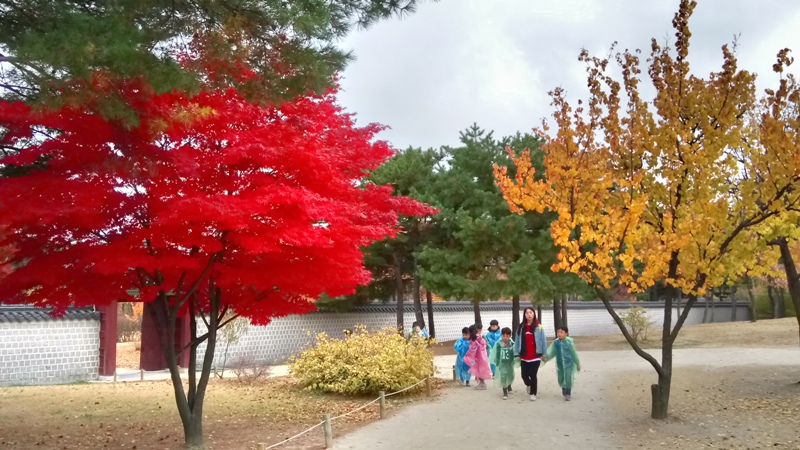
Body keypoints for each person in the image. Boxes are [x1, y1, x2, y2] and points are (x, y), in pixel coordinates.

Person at [514, 307, 547, 401]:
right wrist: (516, 353)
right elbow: (517, 341)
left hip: (535, 356)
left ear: (534, 314)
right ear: (524, 315)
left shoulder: (539, 326)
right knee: (524, 375)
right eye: (527, 313)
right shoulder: (521, 327)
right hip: (524, 356)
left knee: (533, 374)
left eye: (531, 312)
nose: (529, 314)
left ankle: (533, 393)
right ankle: (529, 384)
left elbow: (543, 340)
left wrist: (545, 354)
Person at [546, 326, 581, 401]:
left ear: (566, 334)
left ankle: (568, 392)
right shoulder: (556, 342)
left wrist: (578, 364)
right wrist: (547, 358)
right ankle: (563, 386)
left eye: (561, 332)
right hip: (560, 364)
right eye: (558, 332)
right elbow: (552, 352)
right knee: (560, 377)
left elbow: (574, 354)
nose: (559, 334)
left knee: (568, 377)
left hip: (569, 363)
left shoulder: (569, 343)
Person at [463, 324, 492, 390]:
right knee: (481, 370)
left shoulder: (473, 340)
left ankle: (482, 384)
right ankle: (481, 383)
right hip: (483, 357)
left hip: (477, 358)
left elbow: (472, 350)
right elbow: (484, 345)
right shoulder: (480, 337)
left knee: (478, 370)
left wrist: (467, 356)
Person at [491, 327, 516, 399]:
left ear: (510, 336)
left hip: (509, 363)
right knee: (503, 376)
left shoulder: (512, 343)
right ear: (501, 335)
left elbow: (514, 353)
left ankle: (509, 385)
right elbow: (497, 353)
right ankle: (505, 392)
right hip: (502, 363)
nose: (505, 338)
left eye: (507, 336)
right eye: (504, 336)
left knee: (510, 375)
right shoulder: (499, 343)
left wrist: (515, 360)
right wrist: (497, 361)